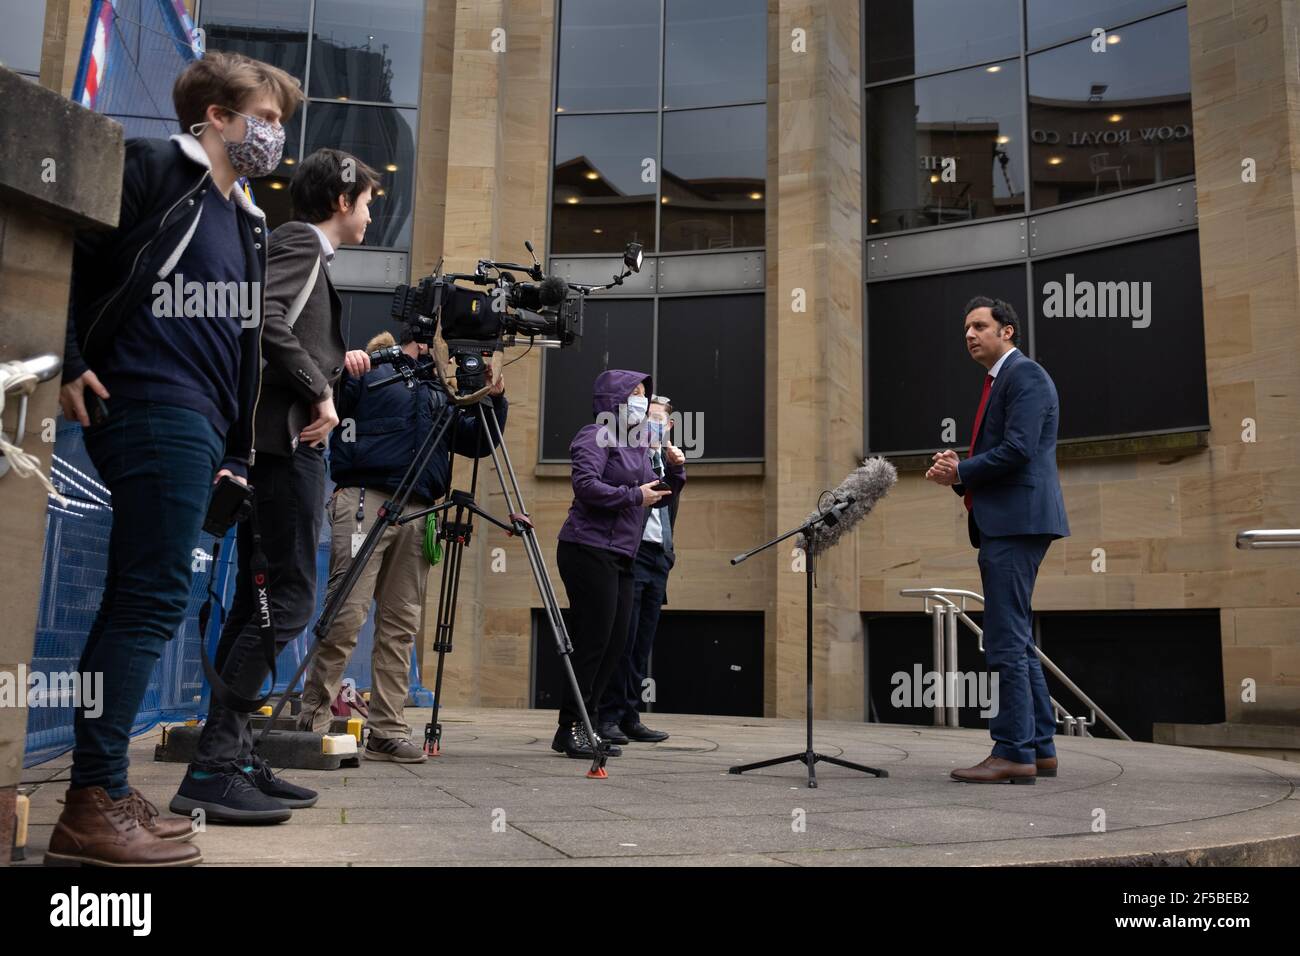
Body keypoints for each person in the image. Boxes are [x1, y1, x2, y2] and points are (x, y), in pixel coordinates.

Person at [49, 52, 303, 865]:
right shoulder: (158, 168)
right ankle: (90, 802)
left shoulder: (251, 222)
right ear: (216, 118)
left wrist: (236, 452)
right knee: (150, 596)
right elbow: (74, 261)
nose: (275, 134)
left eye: (281, 122)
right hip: (146, 403)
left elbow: (240, 349)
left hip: (199, 423)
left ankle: (104, 790)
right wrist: (62, 355)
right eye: (263, 116)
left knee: (149, 593)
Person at [171, 148, 380, 823]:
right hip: (282, 452)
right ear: (341, 202)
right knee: (288, 602)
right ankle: (212, 766)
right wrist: (322, 390)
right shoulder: (298, 240)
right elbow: (262, 320)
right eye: (369, 200)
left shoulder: (309, 252)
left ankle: (227, 756)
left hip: (277, 449)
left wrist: (327, 373)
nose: (373, 211)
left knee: (253, 608)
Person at [295, 331, 507, 762]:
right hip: (365, 500)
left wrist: (492, 396)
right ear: (429, 339)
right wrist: (343, 365)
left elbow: (478, 442)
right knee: (345, 614)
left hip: (420, 510)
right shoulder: (374, 370)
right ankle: (310, 724)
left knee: (401, 625)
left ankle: (386, 730)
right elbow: (323, 395)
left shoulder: (441, 391)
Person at [925, 297, 1069, 784]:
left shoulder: (1023, 375)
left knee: (1005, 640)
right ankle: (1040, 748)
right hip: (1013, 519)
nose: (969, 334)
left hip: (1018, 522)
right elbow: (1009, 452)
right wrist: (959, 473)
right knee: (1018, 639)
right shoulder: (1002, 379)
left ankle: (1012, 751)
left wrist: (960, 470)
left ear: (1007, 331)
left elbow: (1020, 449)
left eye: (980, 326)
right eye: (966, 327)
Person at [553, 371, 685, 759]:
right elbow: (587, 487)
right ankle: (570, 727)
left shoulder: (638, 444)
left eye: (644, 395)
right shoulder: (594, 435)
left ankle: (590, 722)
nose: (641, 401)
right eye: (635, 394)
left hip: (622, 554)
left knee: (615, 644)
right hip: (587, 548)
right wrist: (633, 494)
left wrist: (675, 470)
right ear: (614, 400)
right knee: (593, 642)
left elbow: (655, 496)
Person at [597, 394, 683, 745]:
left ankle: (630, 715)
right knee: (622, 638)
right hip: (630, 555)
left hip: (658, 557)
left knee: (641, 643)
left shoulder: (667, 462)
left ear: (670, 426)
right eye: (647, 416)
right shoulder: (627, 457)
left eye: (658, 418)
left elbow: (669, 507)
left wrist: (675, 466)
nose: (652, 423)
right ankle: (608, 716)